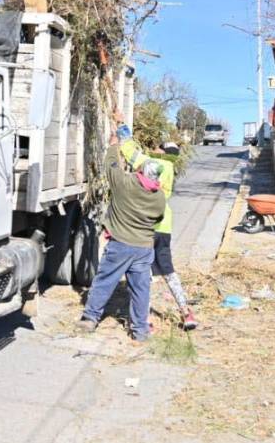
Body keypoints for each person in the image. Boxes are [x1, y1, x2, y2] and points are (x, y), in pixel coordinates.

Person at [78, 137, 167, 342]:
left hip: (120, 245)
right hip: (144, 248)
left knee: (105, 281)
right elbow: (159, 218)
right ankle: (140, 331)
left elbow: (112, 166)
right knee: (140, 289)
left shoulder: (125, 184)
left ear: (140, 172)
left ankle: (90, 318)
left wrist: (113, 146)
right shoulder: (159, 197)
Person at [120, 138, 198, 330]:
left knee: (143, 273)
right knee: (168, 271)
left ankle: (144, 319)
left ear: (163, 152)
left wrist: (122, 129)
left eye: (157, 147)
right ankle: (186, 312)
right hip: (164, 227)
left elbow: (128, 151)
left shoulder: (153, 163)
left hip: (146, 227)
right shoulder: (171, 168)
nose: (154, 148)